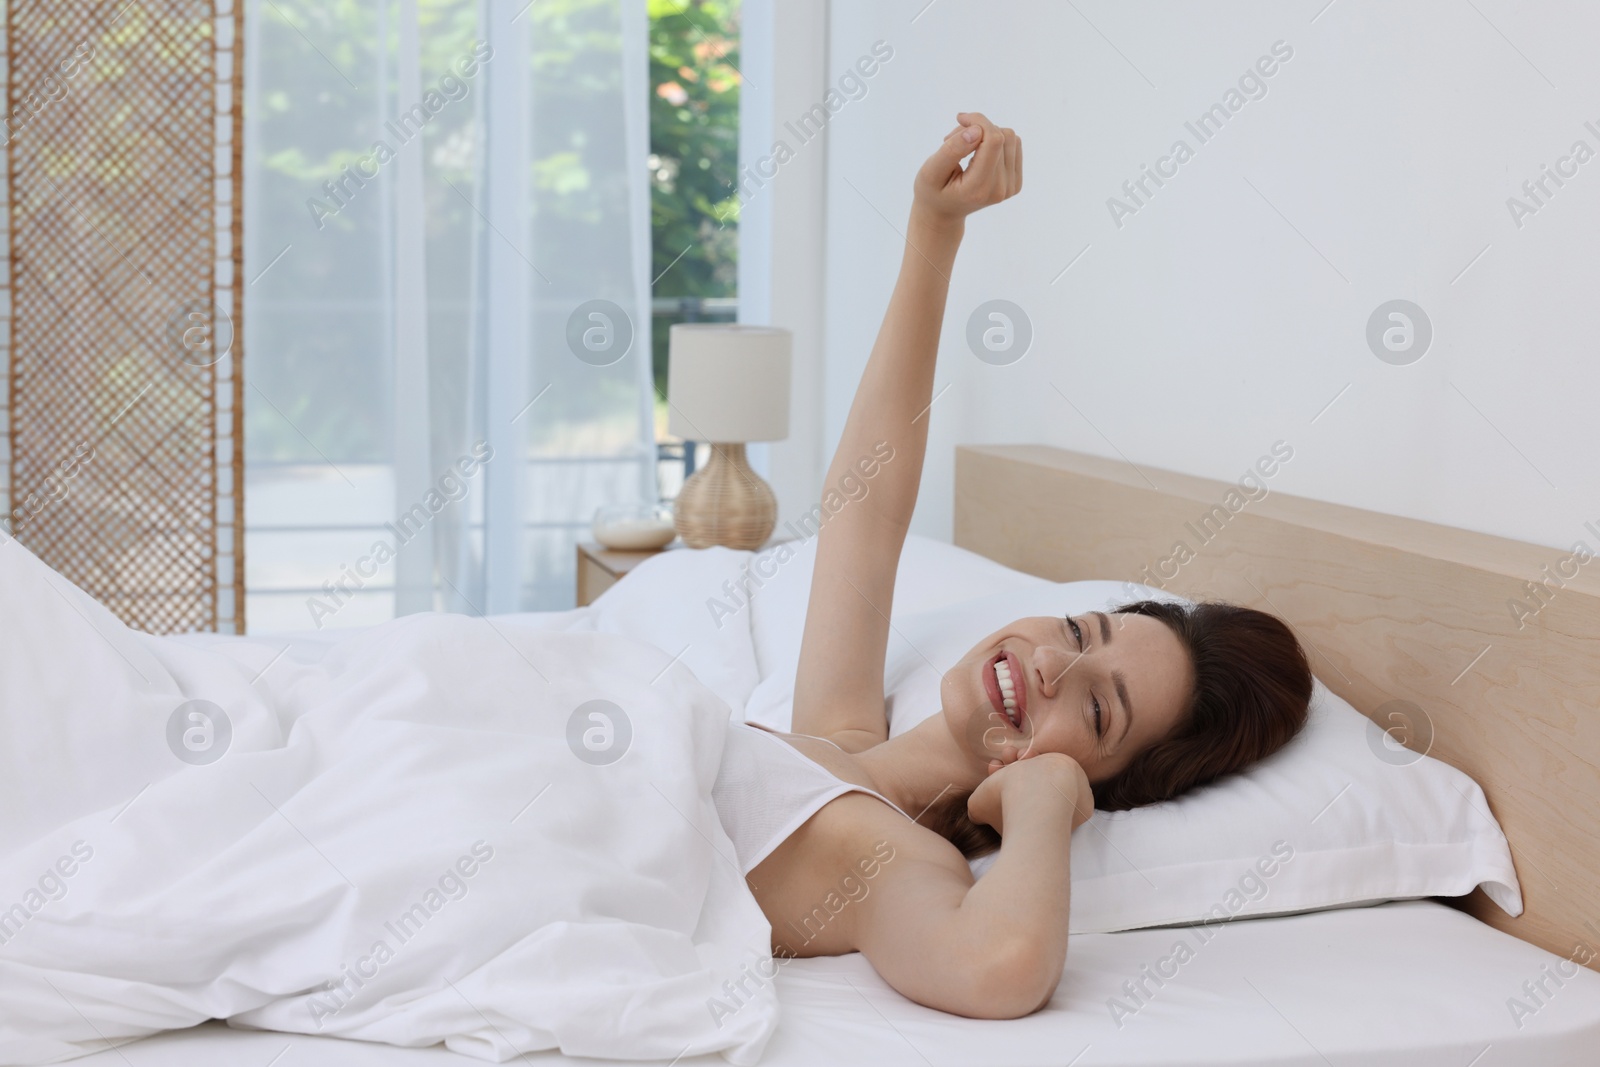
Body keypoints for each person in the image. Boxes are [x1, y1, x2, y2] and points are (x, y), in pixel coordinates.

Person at [715, 112, 1312, 1019]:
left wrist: (1044, 802)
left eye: (1098, 709)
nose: (1052, 665)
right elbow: (866, 514)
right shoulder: (840, 743)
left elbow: (997, 965)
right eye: (1079, 632)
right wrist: (935, 228)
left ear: (1100, 781)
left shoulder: (899, 860)